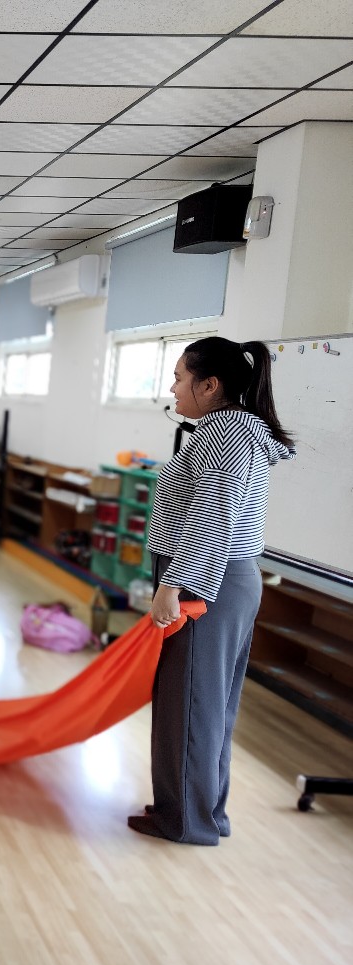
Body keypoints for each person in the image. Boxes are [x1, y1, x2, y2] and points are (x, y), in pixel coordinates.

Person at [130, 337, 295, 846]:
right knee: (208, 704)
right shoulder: (237, 430)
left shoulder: (225, 434)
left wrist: (173, 585)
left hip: (207, 583)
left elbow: (211, 518)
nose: (173, 388)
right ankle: (203, 812)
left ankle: (185, 821)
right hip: (226, 579)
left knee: (191, 704)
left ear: (210, 385)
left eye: (180, 378)